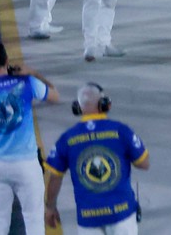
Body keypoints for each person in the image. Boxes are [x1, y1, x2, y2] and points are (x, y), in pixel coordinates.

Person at [0, 40, 59, 235]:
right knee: (34, 221)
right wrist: (33, 73)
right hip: (26, 164)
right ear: (7, 60)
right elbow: (54, 96)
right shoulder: (26, 83)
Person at [45, 82, 149, 234]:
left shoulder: (67, 138)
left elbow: (54, 177)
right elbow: (144, 164)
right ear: (105, 104)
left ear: (78, 107)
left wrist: (50, 207)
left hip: (88, 217)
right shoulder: (121, 130)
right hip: (122, 213)